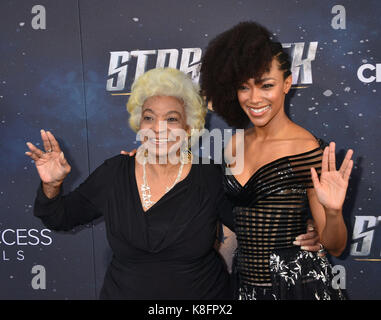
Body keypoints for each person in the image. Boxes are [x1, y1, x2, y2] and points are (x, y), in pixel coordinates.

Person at [26, 67, 237, 299]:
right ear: (139, 124)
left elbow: (252, 227)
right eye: (149, 117)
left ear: (188, 128)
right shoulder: (115, 173)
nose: (159, 128)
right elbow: (60, 217)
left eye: (171, 119)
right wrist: (52, 185)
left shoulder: (209, 176)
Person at [199, 21, 353, 300]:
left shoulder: (305, 148)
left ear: (287, 84)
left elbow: (336, 246)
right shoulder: (233, 145)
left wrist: (331, 213)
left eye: (265, 85)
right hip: (244, 285)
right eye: (244, 87)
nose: (254, 98)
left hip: (297, 287)